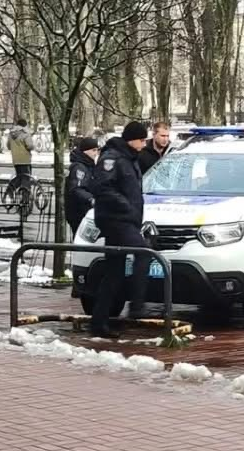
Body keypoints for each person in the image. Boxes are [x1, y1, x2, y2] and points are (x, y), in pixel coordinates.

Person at [89, 121, 151, 338]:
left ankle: (99, 321)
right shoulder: (112, 158)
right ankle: (137, 305)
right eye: (142, 140)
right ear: (131, 139)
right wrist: (124, 205)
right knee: (143, 253)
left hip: (126, 220)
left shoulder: (129, 158)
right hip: (116, 220)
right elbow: (100, 187)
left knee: (113, 273)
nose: (144, 144)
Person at [65, 137, 99, 237]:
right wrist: (91, 199)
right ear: (85, 151)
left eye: (97, 150)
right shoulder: (79, 167)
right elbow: (76, 189)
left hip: (83, 210)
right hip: (78, 211)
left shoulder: (88, 165)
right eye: (93, 150)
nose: (96, 153)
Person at [7, 119, 35, 184]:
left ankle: (11, 189)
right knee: (26, 178)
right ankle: (25, 193)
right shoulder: (25, 133)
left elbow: (8, 146)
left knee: (19, 177)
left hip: (15, 159)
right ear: (25, 125)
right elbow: (30, 146)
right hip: (25, 160)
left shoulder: (11, 134)